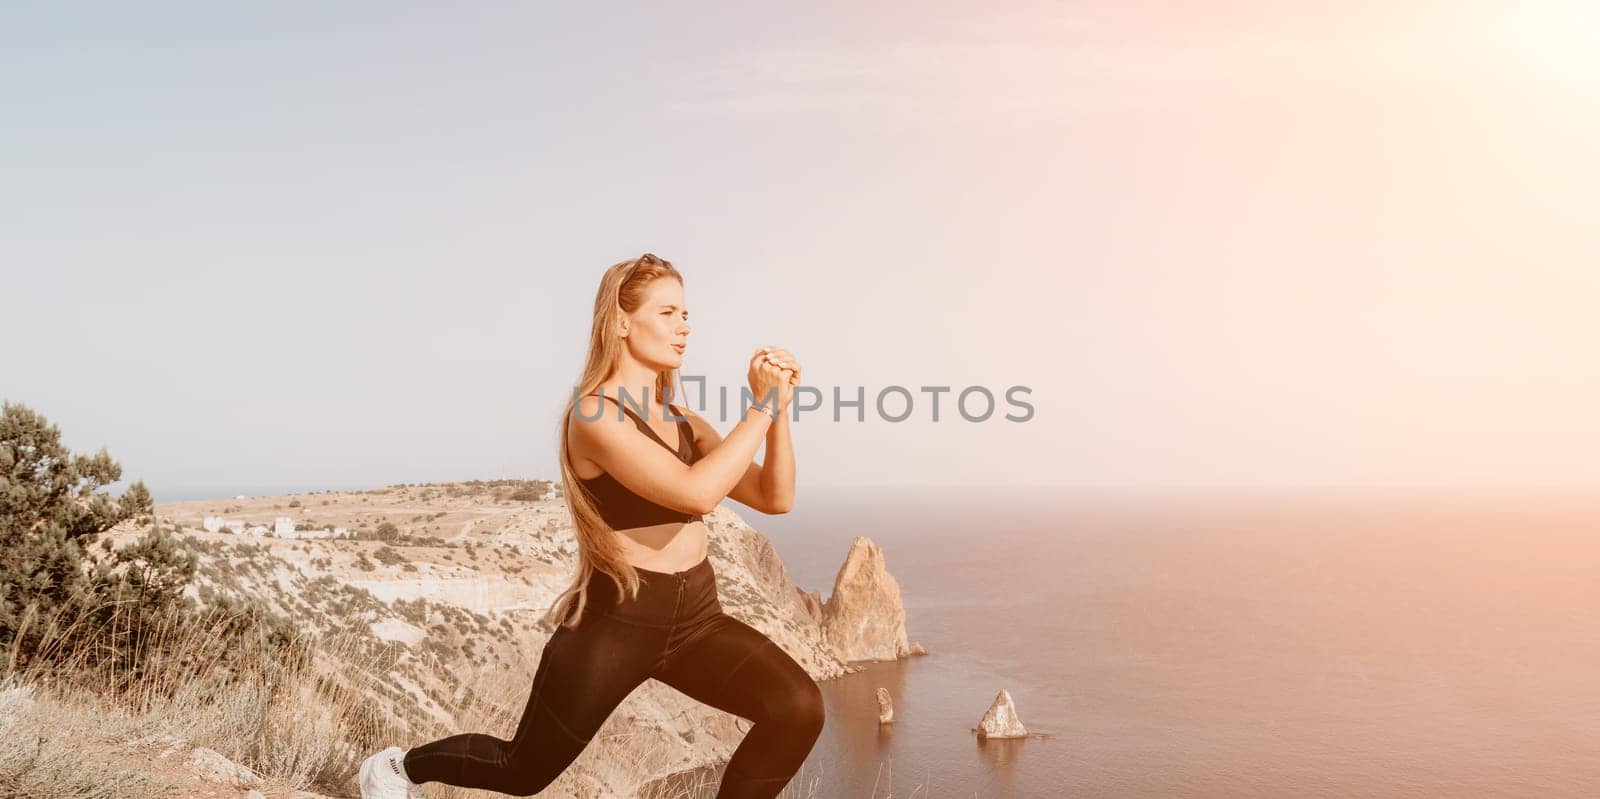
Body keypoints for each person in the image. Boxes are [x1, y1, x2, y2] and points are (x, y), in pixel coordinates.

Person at [358, 253, 823, 798]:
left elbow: (776, 496)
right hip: (618, 621)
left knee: (797, 708)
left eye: (687, 314)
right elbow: (698, 491)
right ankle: (396, 768)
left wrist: (781, 411)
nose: (685, 327)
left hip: (697, 615)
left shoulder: (685, 422)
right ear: (622, 321)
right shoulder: (595, 416)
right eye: (669, 312)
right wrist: (761, 407)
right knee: (522, 771)